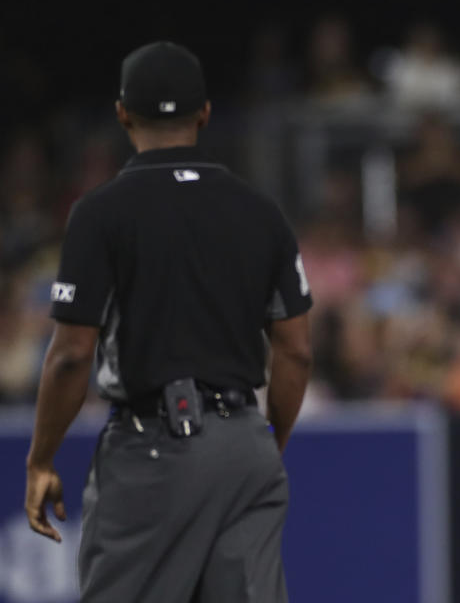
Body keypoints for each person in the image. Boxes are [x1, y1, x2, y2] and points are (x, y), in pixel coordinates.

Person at [24, 41, 313, 602]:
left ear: (121, 114)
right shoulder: (259, 210)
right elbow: (296, 349)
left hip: (152, 448)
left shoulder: (102, 211)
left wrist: (40, 459)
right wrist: (262, 440)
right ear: (204, 114)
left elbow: (71, 354)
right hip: (244, 445)